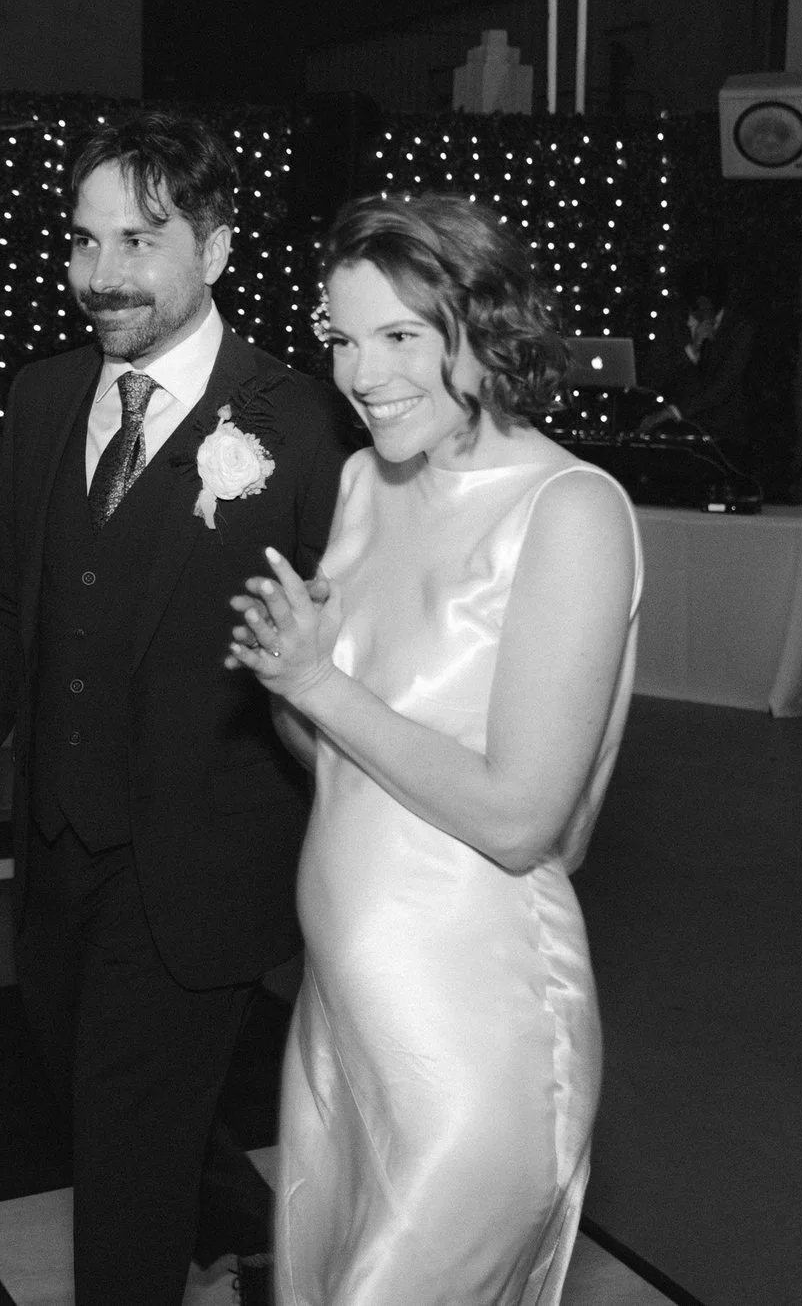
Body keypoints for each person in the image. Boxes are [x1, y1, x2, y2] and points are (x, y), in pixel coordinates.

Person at [0, 111, 357, 1305]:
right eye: (84, 240)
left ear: (216, 248)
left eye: (138, 239)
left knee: (122, 1149)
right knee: (100, 1095)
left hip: (202, 861)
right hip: (57, 850)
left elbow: (353, 653)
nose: (100, 274)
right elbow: (8, 616)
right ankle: (245, 1233)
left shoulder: (302, 421)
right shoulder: (41, 399)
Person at [225, 195, 643, 1303]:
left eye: (400, 334)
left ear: (486, 324)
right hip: (341, 1011)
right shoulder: (366, 480)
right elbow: (337, 761)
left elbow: (522, 820)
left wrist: (317, 682)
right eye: (342, 338)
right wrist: (288, 676)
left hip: (476, 1028)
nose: (362, 375)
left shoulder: (569, 509)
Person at [638, 262, 754, 461]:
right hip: (673, 433)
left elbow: (723, 386)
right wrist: (691, 350)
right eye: (698, 305)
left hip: (723, 434)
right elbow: (655, 374)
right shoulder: (672, 322)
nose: (704, 309)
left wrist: (672, 412)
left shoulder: (739, 329)